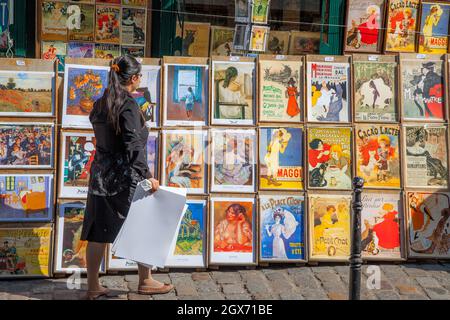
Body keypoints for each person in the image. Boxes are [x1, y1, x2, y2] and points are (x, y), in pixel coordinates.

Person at [80, 55, 173, 300]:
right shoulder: (128, 105)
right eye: (139, 75)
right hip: (124, 178)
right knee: (145, 223)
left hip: (101, 175)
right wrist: (147, 175)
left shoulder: (101, 103)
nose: (140, 79)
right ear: (133, 78)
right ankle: (146, 279)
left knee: (98, 231)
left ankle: (92, 287)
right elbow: (133, 145)